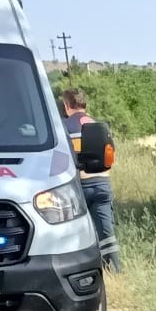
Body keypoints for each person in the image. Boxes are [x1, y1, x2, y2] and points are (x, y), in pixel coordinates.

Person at [60, 87, 121, 272]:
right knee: (106, 232)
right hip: (102, 184)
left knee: (75, 232)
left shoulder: (63, 126)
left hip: (78, 186)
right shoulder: (100, 126)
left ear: (66, 105)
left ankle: (81, 270)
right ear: (85, 104)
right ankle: (114, 269)